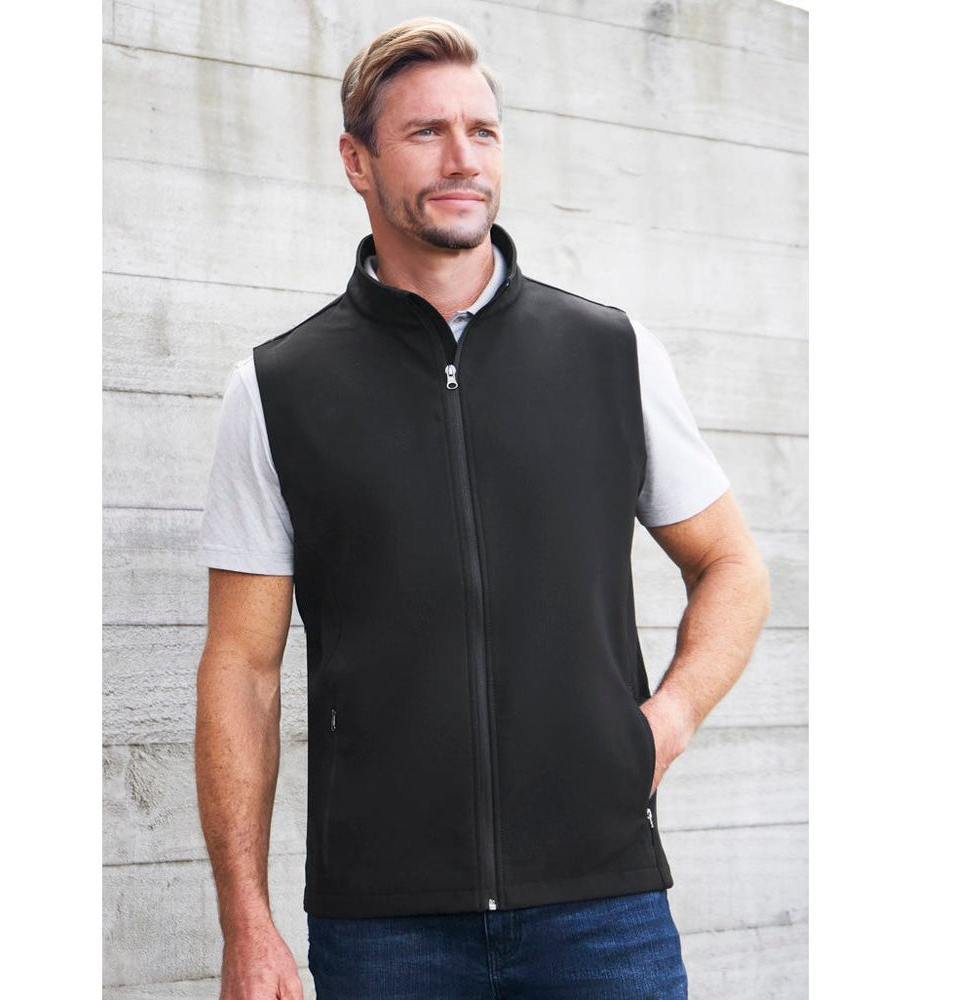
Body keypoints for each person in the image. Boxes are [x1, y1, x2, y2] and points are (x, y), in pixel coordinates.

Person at [195, 17, 770, 1000]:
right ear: (356, 160)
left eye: (483, 131)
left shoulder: (611, 355)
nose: (463, 158)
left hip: (602, 909)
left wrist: (665, 723)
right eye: (425, 132)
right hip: (384, 929)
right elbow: (242, 668)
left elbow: (733, 566)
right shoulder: (278, 388)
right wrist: (245, 920)